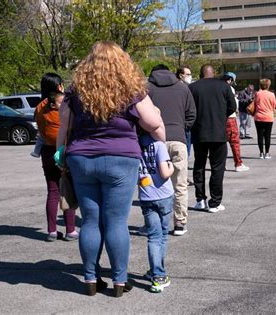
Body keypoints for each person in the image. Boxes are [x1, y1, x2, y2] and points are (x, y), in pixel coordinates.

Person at [56, 41, 165, 297]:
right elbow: (152, 122)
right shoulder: (131, 88)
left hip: (81, 159)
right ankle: (118, 281)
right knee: (116, 221)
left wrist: (60, 154)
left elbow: (63, 127)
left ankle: (91, 279)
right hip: (121, 158)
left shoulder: (75, 91)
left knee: (91, 221)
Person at [148, 64, 196, 236]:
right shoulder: (183, 88)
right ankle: (180, 223)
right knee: (180, 185)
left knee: (153, 185)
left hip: (154, 141)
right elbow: (192, 113)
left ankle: (156, 223)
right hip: (178, 139)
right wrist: (182, 129)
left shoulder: (147, 89)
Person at [34, 73, 77, 242]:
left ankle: (51, 231)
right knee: (67, 189)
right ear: (58, 85)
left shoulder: (39, 107)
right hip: (64, 151)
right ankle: (71, 230)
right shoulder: (65, 102)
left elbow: (41, 130)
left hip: (46, 151)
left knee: (52, 191)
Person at [188, 64, 235, 213]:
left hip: (199, 132)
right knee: (217, 167)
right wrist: (222, 116)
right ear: (213, 73)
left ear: (201, 73)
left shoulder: (192, 87)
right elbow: (232, 106)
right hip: (218, 132)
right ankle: (215, 202)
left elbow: (188, 109)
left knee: (199, 166)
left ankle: (200, 199)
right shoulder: (223, 86)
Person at [137, 131, 174, 293]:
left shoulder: (134, 146)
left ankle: (156, 271)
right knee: (163, 235)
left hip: (146, 196)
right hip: (164, 194)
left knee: (153, 237)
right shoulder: (159, 145)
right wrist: (172, 166)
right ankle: (158, 274)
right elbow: (165, 173)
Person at [222, 72, 249, 171]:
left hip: (219, 119)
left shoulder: (217, 88)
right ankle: (238, 164)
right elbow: (233, 106)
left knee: (221, 143)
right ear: (230, 80)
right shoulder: (230, 89)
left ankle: (221, 164)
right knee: (234, 142)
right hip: (230, 118)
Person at [253, 78, 276, 159]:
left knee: (259, 135)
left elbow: (255, 104)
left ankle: (261, 153)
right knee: (267, 135)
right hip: (268, 117)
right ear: (268, 85)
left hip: (258, 117)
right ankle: (267, 153)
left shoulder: (257, 94)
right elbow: (274, 106)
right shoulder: (272, 94)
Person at [176, 65, 194, 158]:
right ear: (180, 75)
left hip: (186, 126)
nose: (190, 76)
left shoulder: (188, 88)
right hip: (180, 126)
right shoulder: (177, 88)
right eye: (188, 74)